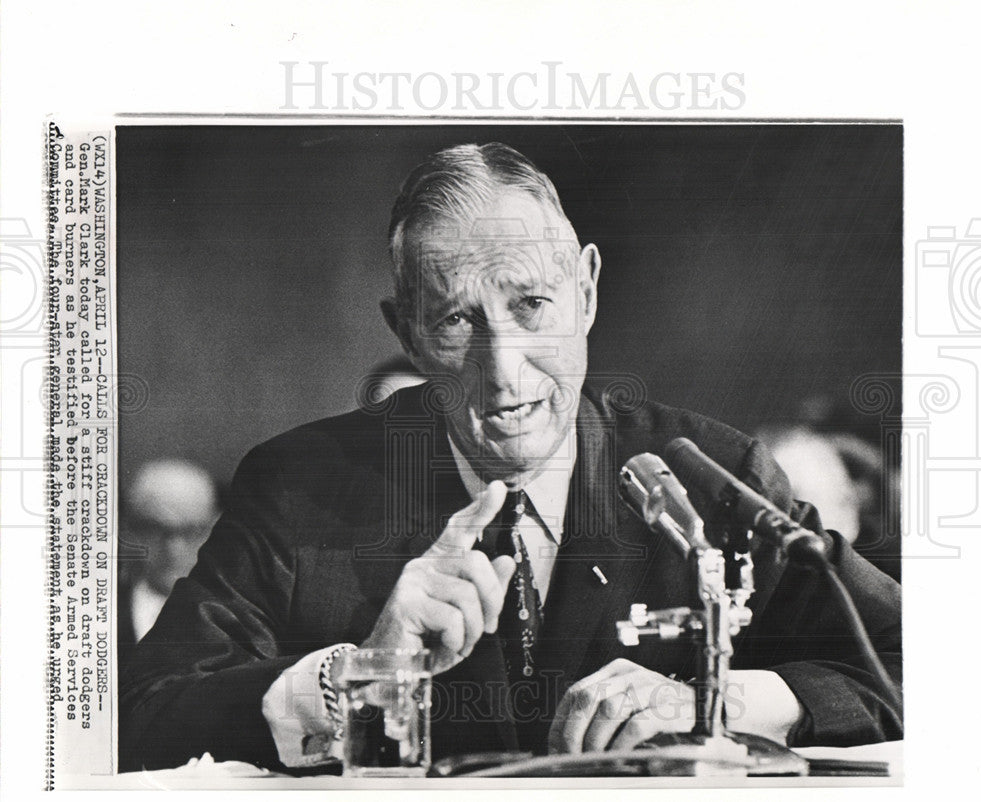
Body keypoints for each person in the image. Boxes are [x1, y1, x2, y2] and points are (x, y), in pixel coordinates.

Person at [119, 143, 902, 772]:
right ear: (407, 332)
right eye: (458, 320)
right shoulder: (299, 484)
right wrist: (362, 675)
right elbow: (140, 715)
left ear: (587, 292)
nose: (504, 370)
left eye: (532, 305)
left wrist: (716, 701)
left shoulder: (711, 475)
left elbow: (926, 658)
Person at [117, 459, 221, 665]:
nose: (173, 550)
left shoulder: (241, 617)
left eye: (192, 531)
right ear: (131, 529)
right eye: (156, 530)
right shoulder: (99, 615)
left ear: (214, 528)